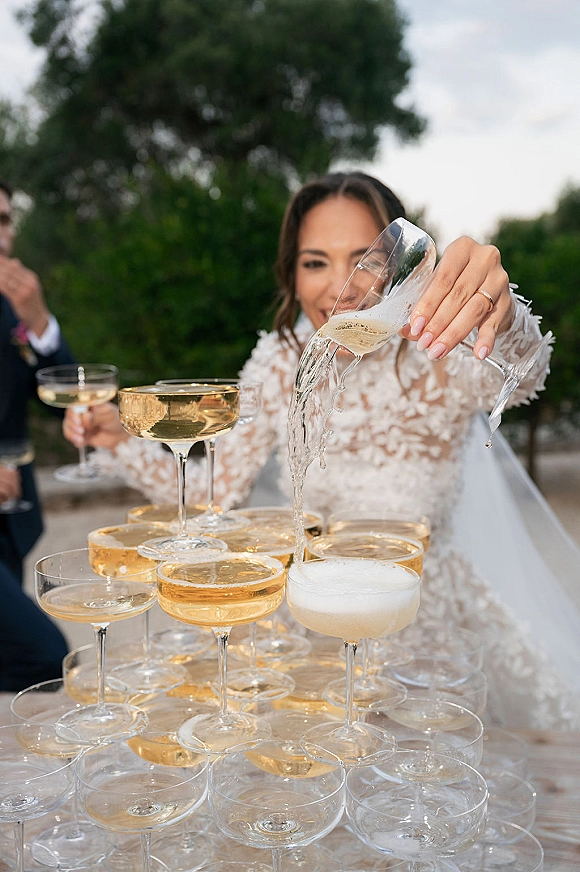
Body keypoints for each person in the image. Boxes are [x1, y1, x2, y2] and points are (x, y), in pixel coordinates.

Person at [63, 171, 580, 729]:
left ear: (404, 270)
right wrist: (117, 441)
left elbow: (526, 372)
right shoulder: (283, 359)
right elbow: (218, 489)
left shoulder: (441, 351)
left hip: (419, 625)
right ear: (291, 273)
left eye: (367, 260)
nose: (341, 286)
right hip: (308, 622)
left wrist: (499, 313)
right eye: (315, 262)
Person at [0, 179, 71, 690]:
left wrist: (39, 320)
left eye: (3, 220)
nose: (0, 236)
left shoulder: (12, 308)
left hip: (11, 513)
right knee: (44, 657)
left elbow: (58, 400)